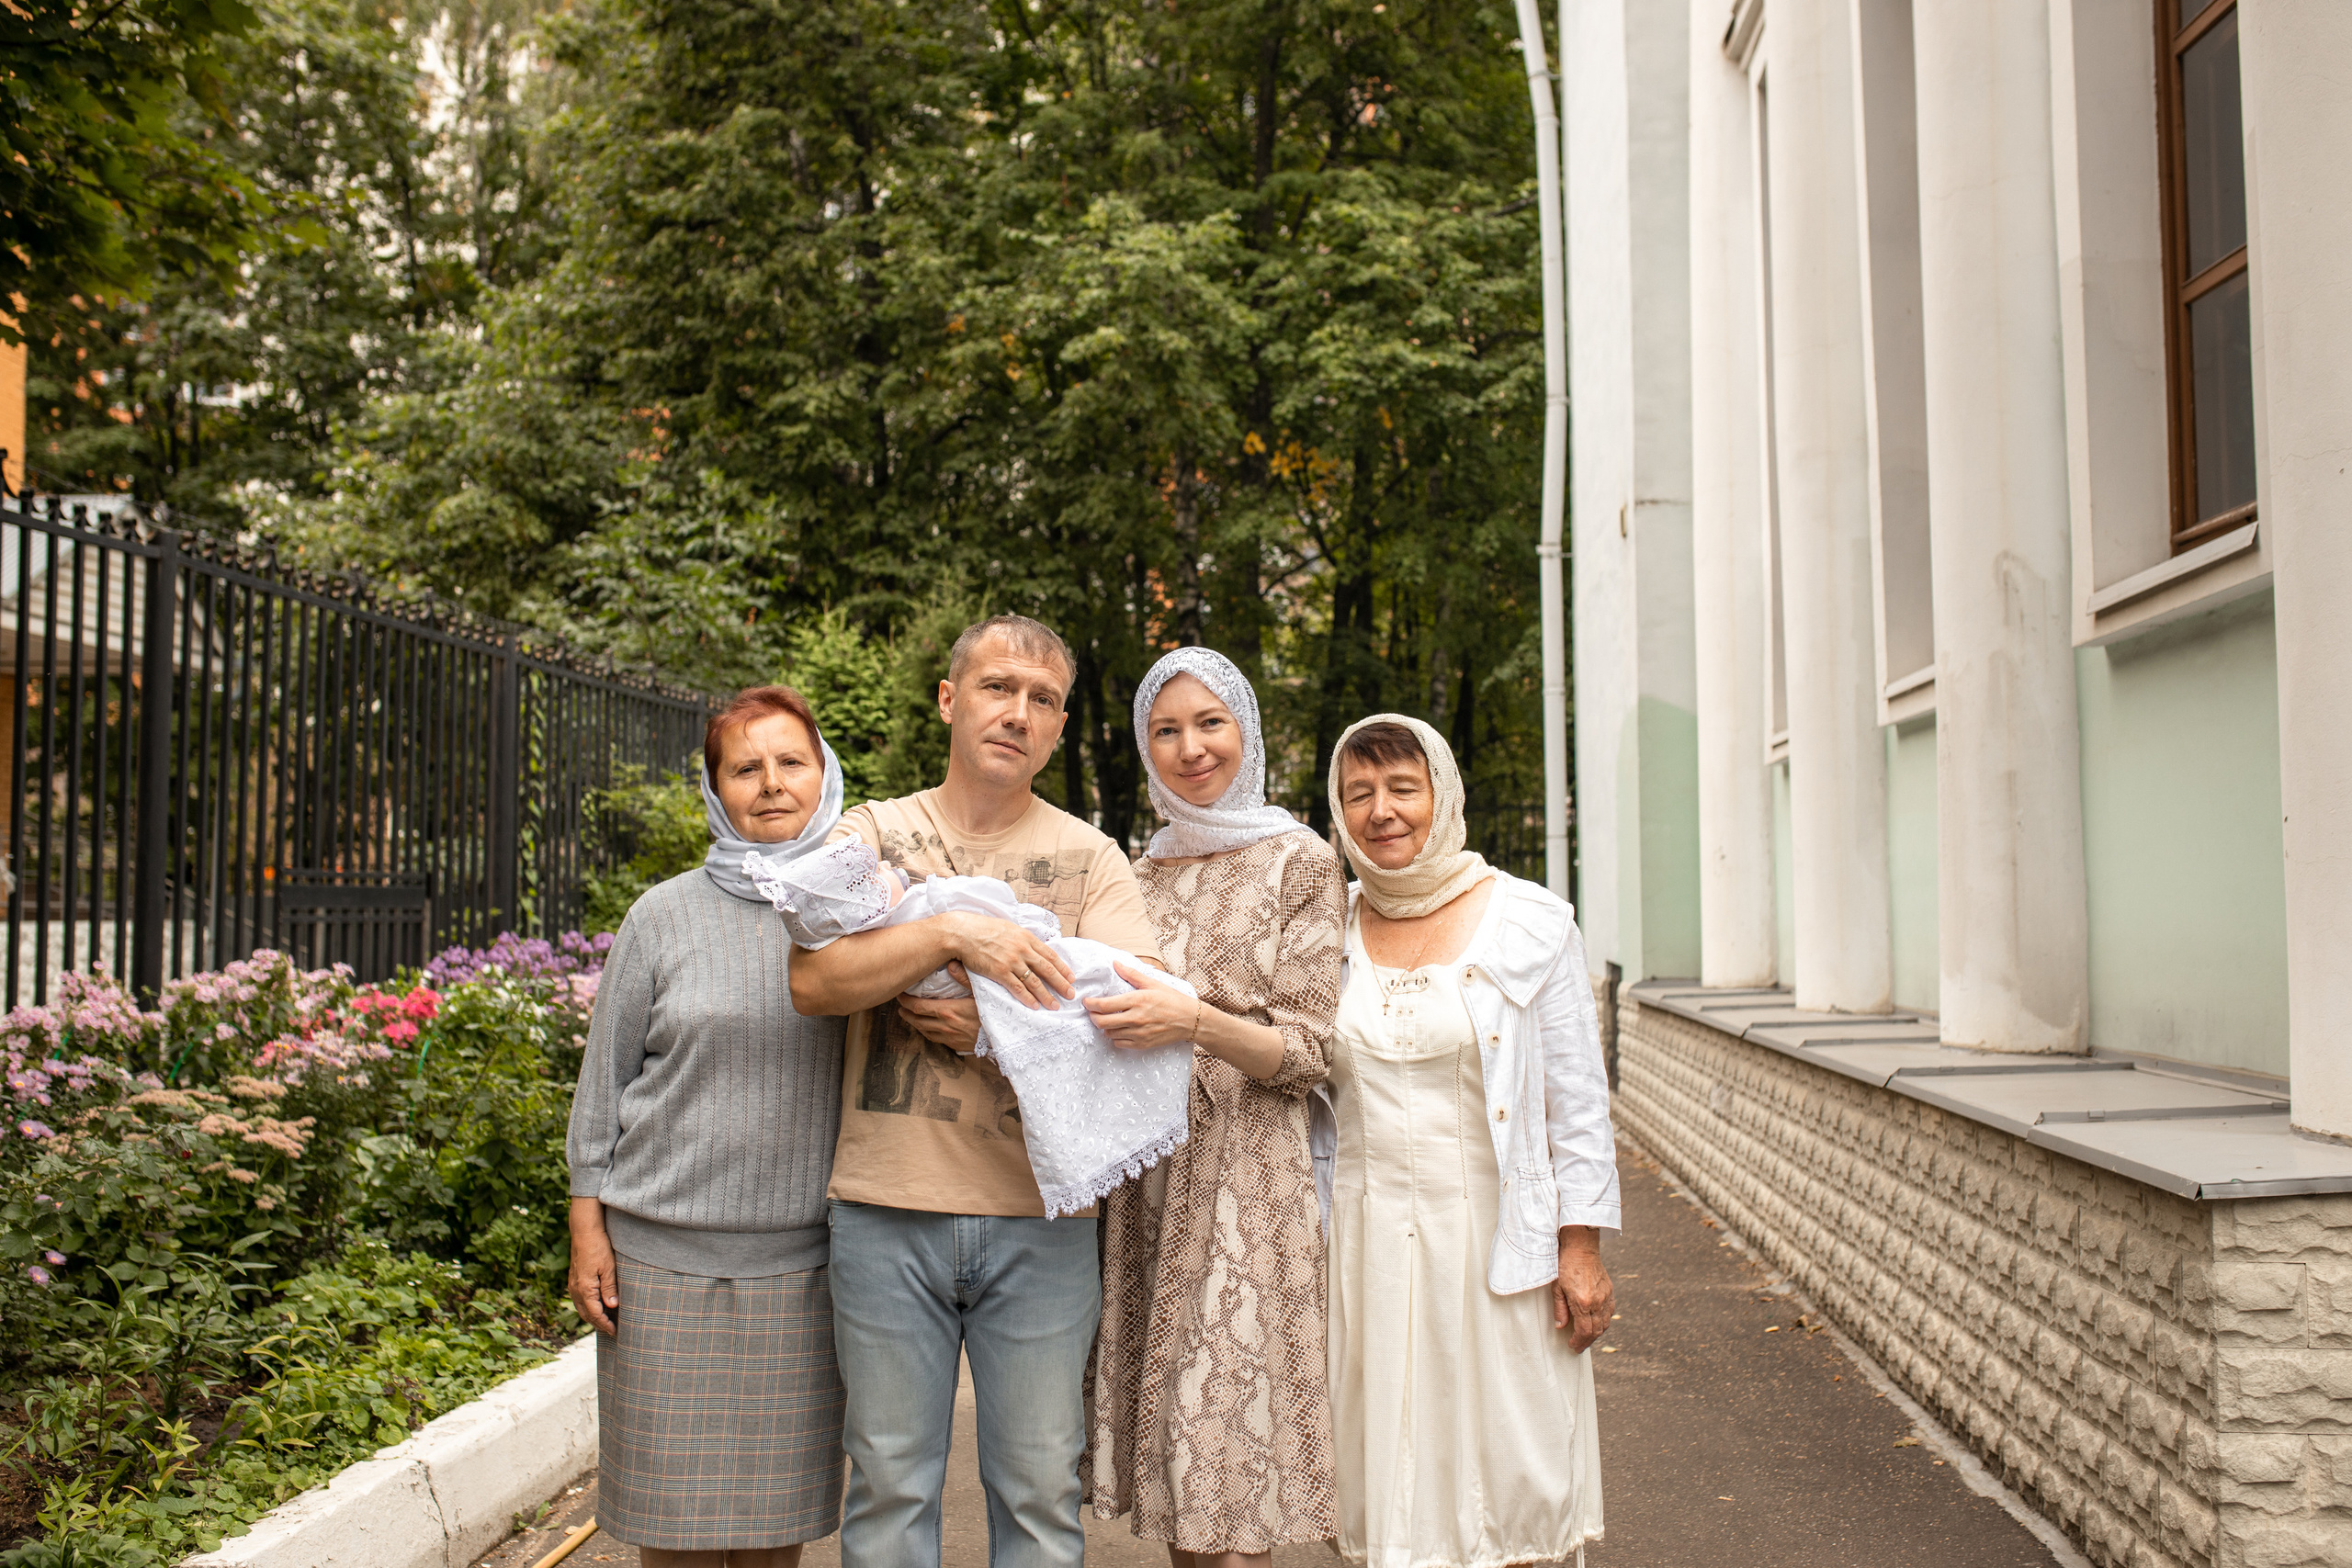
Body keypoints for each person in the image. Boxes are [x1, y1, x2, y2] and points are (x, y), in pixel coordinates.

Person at [787, 614, 1165, 1568]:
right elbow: (814, 981)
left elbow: (1138, 1020)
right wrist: (955, 935)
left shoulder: (1093, 857)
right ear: (950, 700)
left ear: (1061, 727)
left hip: (1042, 1220)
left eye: (1042, 700)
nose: (1017, 713)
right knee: (888, 1485)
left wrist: (994, 1033)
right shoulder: (873, 833)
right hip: (885, 1208)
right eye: (997, 688)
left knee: (1039, 1493)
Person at [1317, 713, 1619, 1568]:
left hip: (1501, 1244)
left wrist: (1580, 1247)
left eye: (1402, 787)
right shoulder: (1324, 930)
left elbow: (1578, 1105)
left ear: (1443, 794)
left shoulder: (1528, 920)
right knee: (1389, 1483)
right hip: (1366, 1247)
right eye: (1358, 792)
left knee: (1507, 1482)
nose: (1381, 810)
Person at [565, 684, 852, 1568]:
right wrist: (587, 1227)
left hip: (804, 1274)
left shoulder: (864, 914)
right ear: (714, 789)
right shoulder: (660, 916)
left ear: (826, 775)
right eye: (745, 767)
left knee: (773, 1538)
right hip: (659, 1274)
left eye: (791, 761)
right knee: (675, 1539)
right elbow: (602, 1085)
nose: (771, 783)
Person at [1084, 647, 1348, 1566]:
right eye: (1166, 730)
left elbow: (1309, 1053)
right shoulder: (1134, 874)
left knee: (1223, 1462)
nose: (1191, 747)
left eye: (1210, 723)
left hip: (1247, 1187)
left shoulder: (1300, 861)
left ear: (1248, 730)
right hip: (1146, 1187)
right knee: (1179, 1470)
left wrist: (1195, 1021)